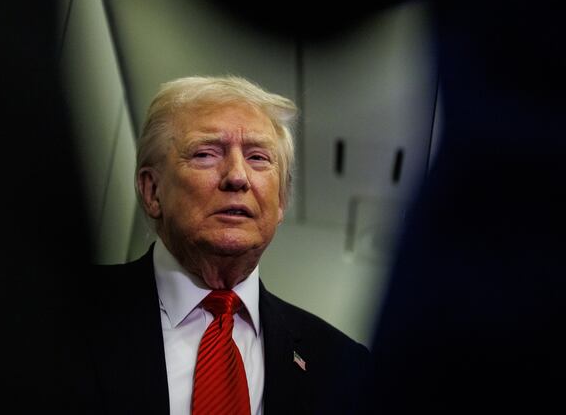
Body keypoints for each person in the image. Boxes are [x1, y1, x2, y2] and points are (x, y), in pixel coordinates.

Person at [67, 76, 371, 414]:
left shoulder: (344, 366)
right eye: (206, 154)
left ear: (282, 201)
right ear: (152, 191)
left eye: (258, 158)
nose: (237, 177)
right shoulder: (58, 310)